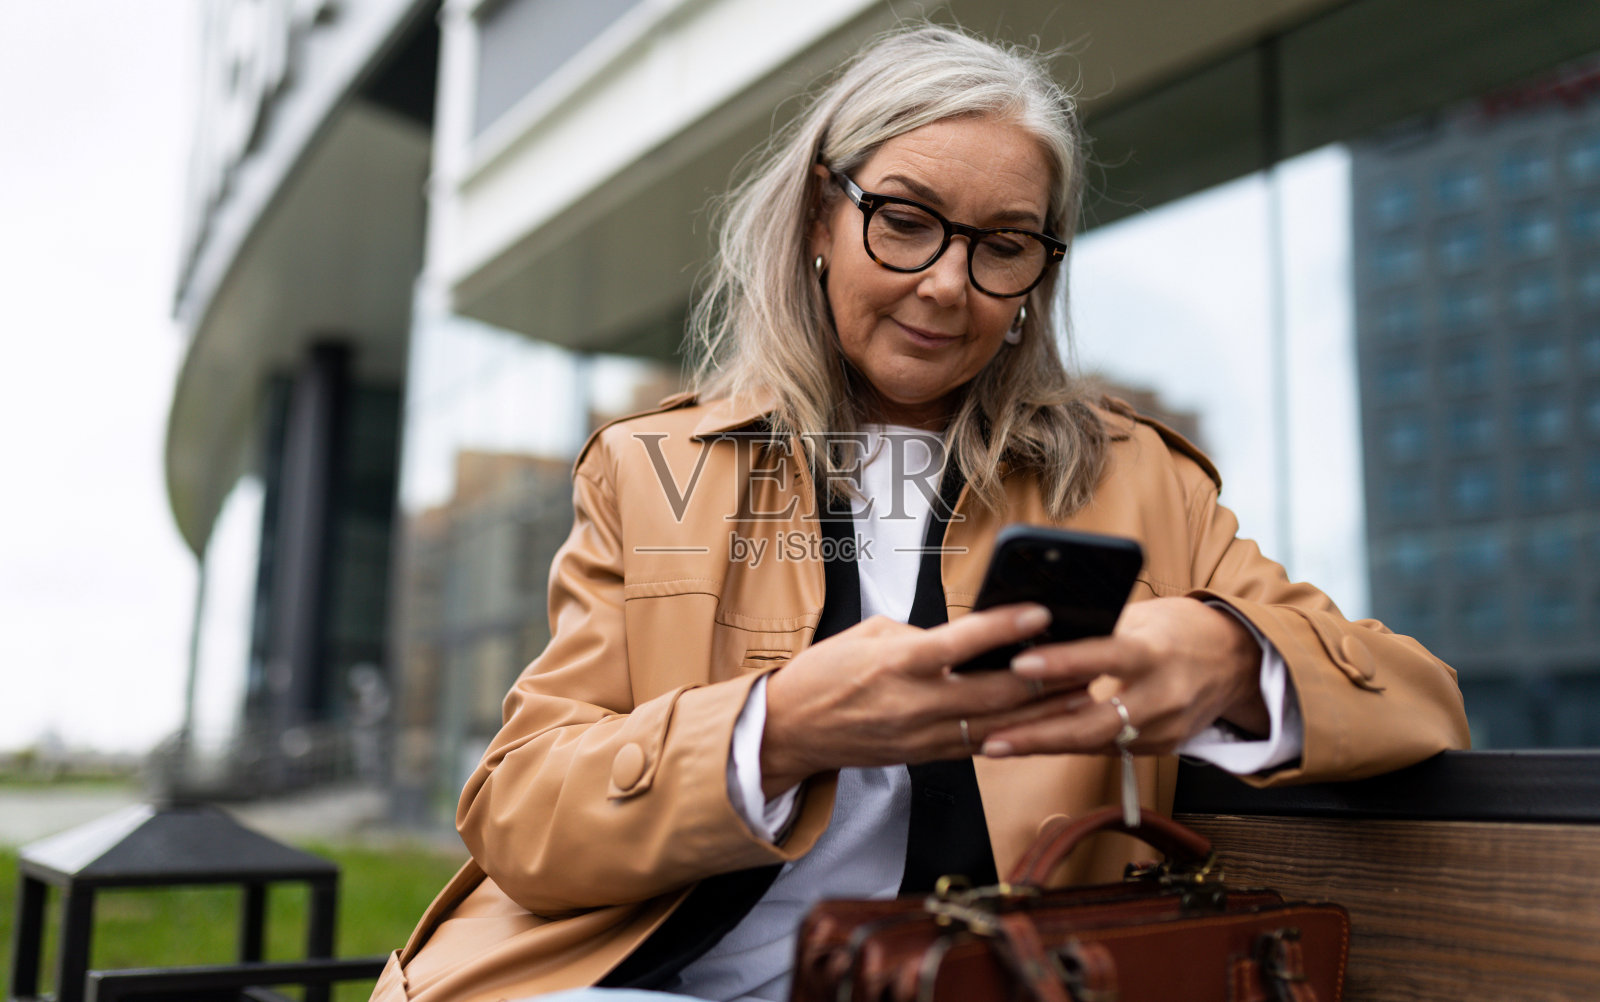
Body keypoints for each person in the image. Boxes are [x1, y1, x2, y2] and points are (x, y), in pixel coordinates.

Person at [371, 24, 1468, 1002]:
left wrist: (1228, 657)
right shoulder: (654, 468)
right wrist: (777, 729)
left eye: (1003, 246)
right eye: (904, 222)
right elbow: (520, 814)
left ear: (1039, 273)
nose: (947, 284)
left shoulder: (1140, 479)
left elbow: (1418, 699)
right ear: (820, 216)